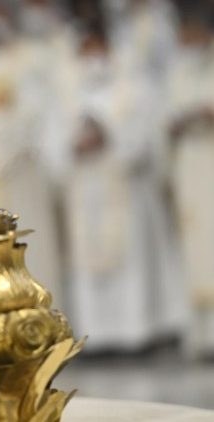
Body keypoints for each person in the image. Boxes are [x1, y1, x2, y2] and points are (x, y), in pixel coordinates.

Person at [60, 28, 184, 352]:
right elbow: (50, 136)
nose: (92, 57)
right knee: (88, 266)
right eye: (85, 49)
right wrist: (71, 143)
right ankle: (96, 335)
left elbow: (146, 135)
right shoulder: (69, 91)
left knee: (131, 262)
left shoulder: (133, 86)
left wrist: (108, 135)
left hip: (123, 186)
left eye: (97, 47)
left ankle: (134, 332)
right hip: (84, 188)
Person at [167, 17, 214, 357]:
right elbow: (162, 118)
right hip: (188, 163)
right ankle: (200, 335)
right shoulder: (177, 72)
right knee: (195, 245)